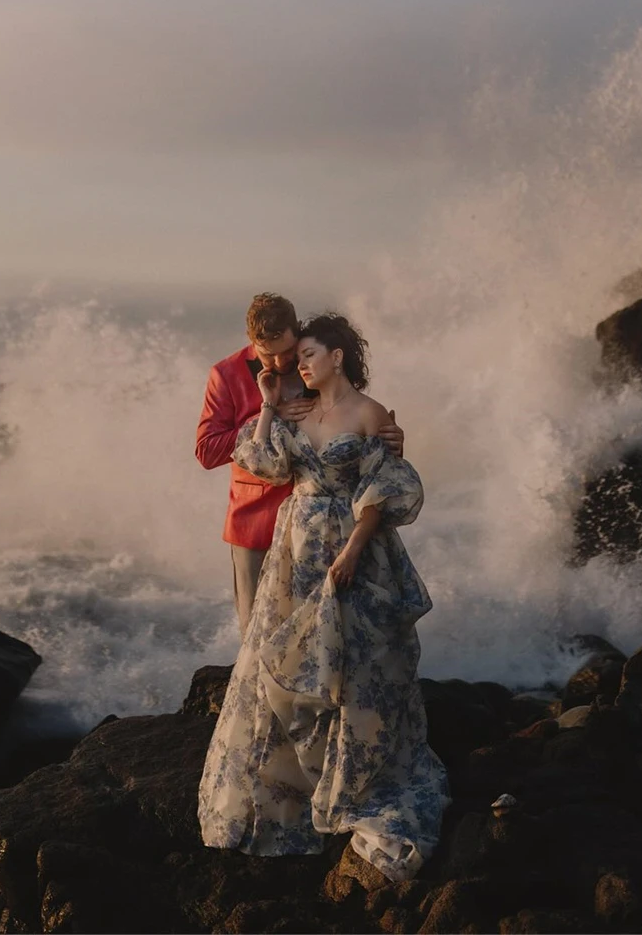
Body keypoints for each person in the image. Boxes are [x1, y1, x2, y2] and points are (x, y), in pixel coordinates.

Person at [198, 313, 449, 881]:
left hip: (348, 547)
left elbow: (386, 487)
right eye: (298, 355)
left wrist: (355, 549)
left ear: (338, 356)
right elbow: (261, 462)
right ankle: (295, 789)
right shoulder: (296, 408)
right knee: (285, 662)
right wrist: (265, 403)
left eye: (309, 353)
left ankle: (351, 782)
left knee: (354, 664)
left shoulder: (371, 414)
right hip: (294, 552)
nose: (298, 365)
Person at [195, 293, 403, 638]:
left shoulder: (313, 360)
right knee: (258, 635)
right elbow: (206, 451)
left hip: (324, 526)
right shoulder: (225, 374)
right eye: (268, 354)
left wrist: (390, 438)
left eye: (287, 352)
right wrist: (271, 414)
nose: (279, 362)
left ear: (297, 332)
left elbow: (351, 418)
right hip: (256, 521)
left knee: (322, 633)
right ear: (251, 341)